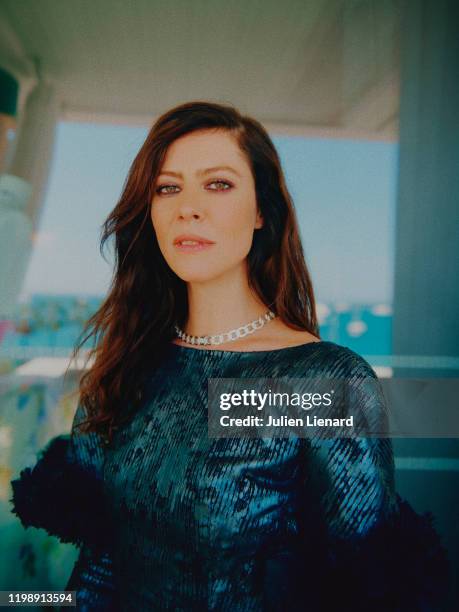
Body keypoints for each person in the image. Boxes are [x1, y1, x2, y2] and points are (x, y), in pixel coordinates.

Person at [10, 101, 450, 611]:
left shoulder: (318, 381)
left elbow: (369, 592)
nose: (187, 207)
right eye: (167, 187)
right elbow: (97, 569)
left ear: (262, 210)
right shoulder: (128, 364)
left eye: (218, 184)